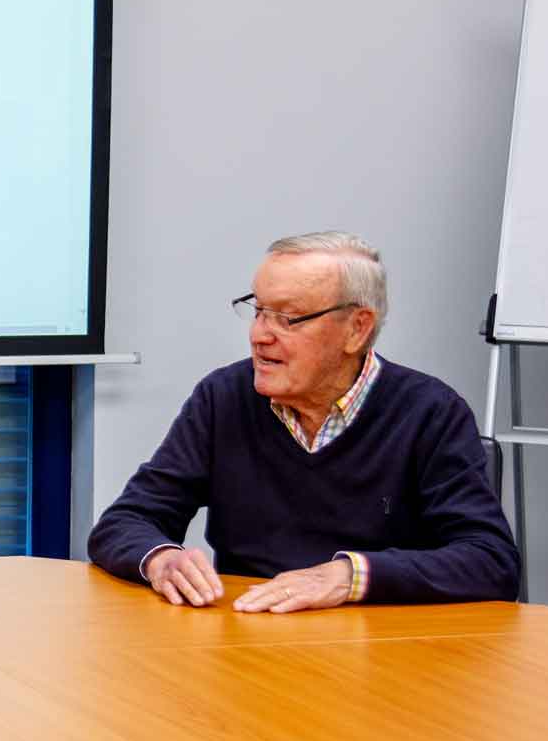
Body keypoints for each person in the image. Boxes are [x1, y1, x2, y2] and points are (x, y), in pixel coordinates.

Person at [88, 232, 518, 611]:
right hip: (250, 640)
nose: (260, 335)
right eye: (258, 311)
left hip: (379, 651)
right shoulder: (223, 397)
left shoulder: (429, 411)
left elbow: (489, 560)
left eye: (287, 318)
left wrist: (350, 577)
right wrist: (161, 558)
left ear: (357, 329)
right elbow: (125, 521)